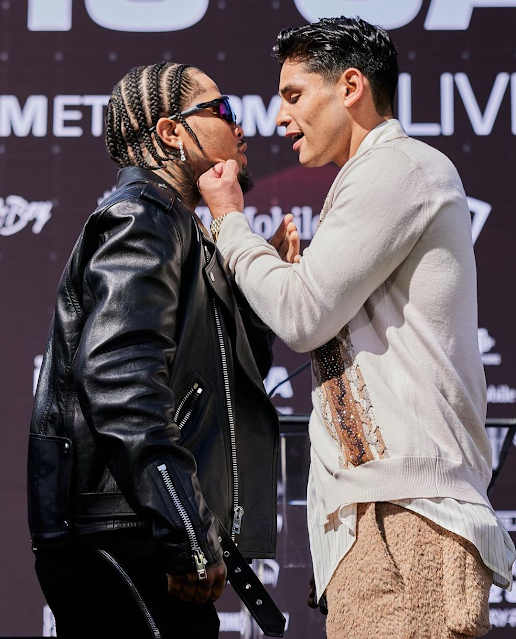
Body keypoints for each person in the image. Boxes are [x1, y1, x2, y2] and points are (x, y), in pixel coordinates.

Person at [197, 17, 516, 639]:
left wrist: (230, 222)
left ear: (350, 87)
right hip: (381, 514)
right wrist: (281, 276)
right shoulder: (378, 175)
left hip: (410, 515)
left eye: (294, 96)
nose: (280, 118)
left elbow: (302, 314)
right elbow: (315, 313)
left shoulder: (399, 168)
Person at [28, 62, 296, 639]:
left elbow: (220, 384)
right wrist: (185, 529)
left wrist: (251, 303)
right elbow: (121, 381)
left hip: (142, 530)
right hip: (126, 535)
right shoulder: (142, 218)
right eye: (221, 110)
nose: (240, 125)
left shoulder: (179, 227)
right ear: (172, 132)